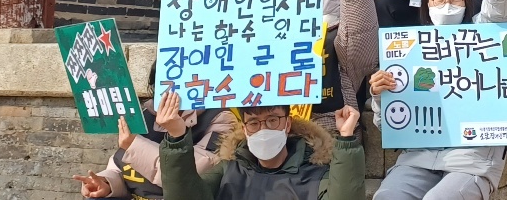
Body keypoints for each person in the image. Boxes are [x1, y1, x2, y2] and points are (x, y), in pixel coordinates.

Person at [368, 0, 507, 200]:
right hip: (418, 156)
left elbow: (498, 11)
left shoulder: (483, 33)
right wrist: (380, 94)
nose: (447, 6)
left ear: (468, 2)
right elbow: (387, 123)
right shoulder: (408, 49)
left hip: (473, 158)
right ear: (425, 3)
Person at [156, 90, 365, 200]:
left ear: (287, 124)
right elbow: (186, 195)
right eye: (254, 123)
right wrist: (177, 136)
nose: (264, 129)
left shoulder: (316, 175)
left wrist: (346, 138)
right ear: (245, 129)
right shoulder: (228, 170)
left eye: (272, 120)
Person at [73, 69, 234, 197]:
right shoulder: (146, 114)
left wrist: (136, 145)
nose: (170, 92)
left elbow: (197, 174)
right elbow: (121, 168)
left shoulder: (221, 117)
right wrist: (106, 183)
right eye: (163, 84)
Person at [304, 0, 379, 137]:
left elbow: (359, 35)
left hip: (337, 125)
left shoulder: (343, 32)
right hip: (289, 125)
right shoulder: (289, 32)